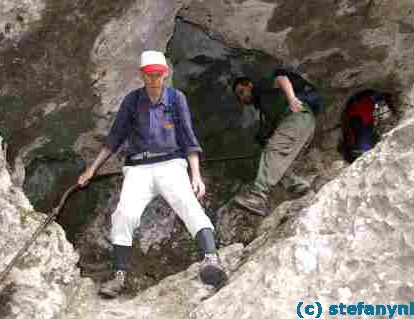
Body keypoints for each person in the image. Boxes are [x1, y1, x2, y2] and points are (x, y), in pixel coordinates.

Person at [78, 50, 227, 298]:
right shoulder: (132, 101)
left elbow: (189, 138)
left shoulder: (176, 98)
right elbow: (114, 138)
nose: (154, 79)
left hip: (171, 164)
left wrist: (196, 175)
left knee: (188, 203)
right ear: (142, 76)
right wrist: (90, 171)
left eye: (158, 74)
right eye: (149, 75)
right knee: (124, 214)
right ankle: (119, 276)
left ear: (165, 74)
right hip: (138, 167)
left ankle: (211, 259)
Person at [231, 69, 319, 216]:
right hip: (302, 125)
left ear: (249, 85)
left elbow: (281, 79)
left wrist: (291, 99)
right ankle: (304, 190)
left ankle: (257, 197)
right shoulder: (264, 106)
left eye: (241, 92)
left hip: (296, 117)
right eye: (238, 97)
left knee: (273, 150)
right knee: (278, 166)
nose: (242, 98)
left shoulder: (261, 85)